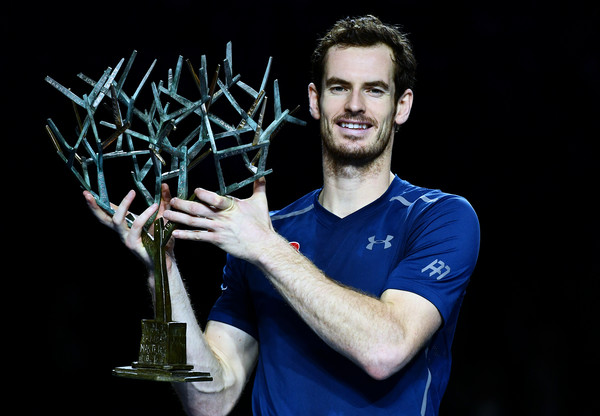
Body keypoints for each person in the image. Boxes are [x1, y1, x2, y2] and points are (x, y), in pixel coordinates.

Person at [85, 15, 480, 416]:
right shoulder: (266, 232)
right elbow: (209, 400)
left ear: (402, 105)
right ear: (314, 99)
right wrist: (162, 271)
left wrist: (265, 248)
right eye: (339, 87)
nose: (355, 105)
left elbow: (385, 349)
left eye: (374, 90)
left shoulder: (440, 218)